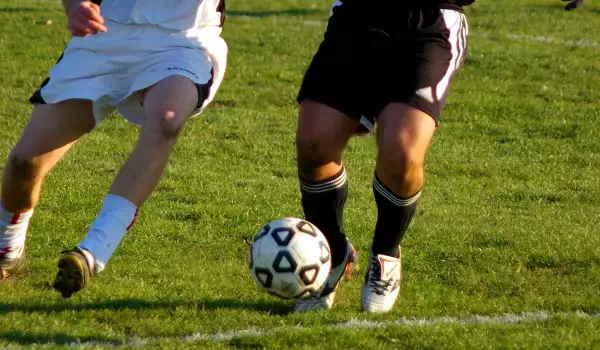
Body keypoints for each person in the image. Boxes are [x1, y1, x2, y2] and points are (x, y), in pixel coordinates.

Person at [0, 0, 227, 299]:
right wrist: (73, 6)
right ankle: (7, 252)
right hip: (105, 32)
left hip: (183, 40)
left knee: (167, 120)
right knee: (24, 164)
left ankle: (92, 252)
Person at [294, 0, 473, 313]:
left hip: (429, 24)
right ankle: (332, 256)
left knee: (402, 154)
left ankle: (386, 254)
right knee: (314, 145)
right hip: (356, 19)